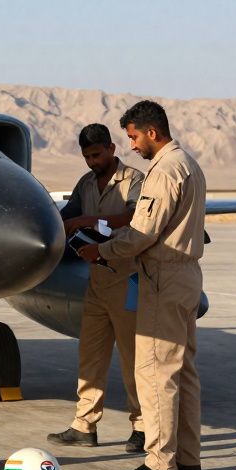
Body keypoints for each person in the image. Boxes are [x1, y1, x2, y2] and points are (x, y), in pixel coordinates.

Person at [76, 100, 206, 470]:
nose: (131, 144)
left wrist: (101, 249)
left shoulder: (164, 171)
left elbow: (143, 232)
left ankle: (160, 464)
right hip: (186, 276)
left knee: (154, 373)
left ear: (152, 132)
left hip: (163, 278)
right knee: (183, 372)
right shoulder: (189, 164)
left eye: (133, 136)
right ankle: (188, 459)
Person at [47, 124, 146, 453]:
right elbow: (69, 215)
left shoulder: (134, 180)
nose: (92, 161)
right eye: (87, 157)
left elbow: (136, 217)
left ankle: (143, 426)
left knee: (134, 359)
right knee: (91, 355)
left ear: (111, 149)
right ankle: (84, 425)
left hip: (127, 278)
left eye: (97, 155)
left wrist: (90, 222)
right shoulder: (86, 183)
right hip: (97, 281)